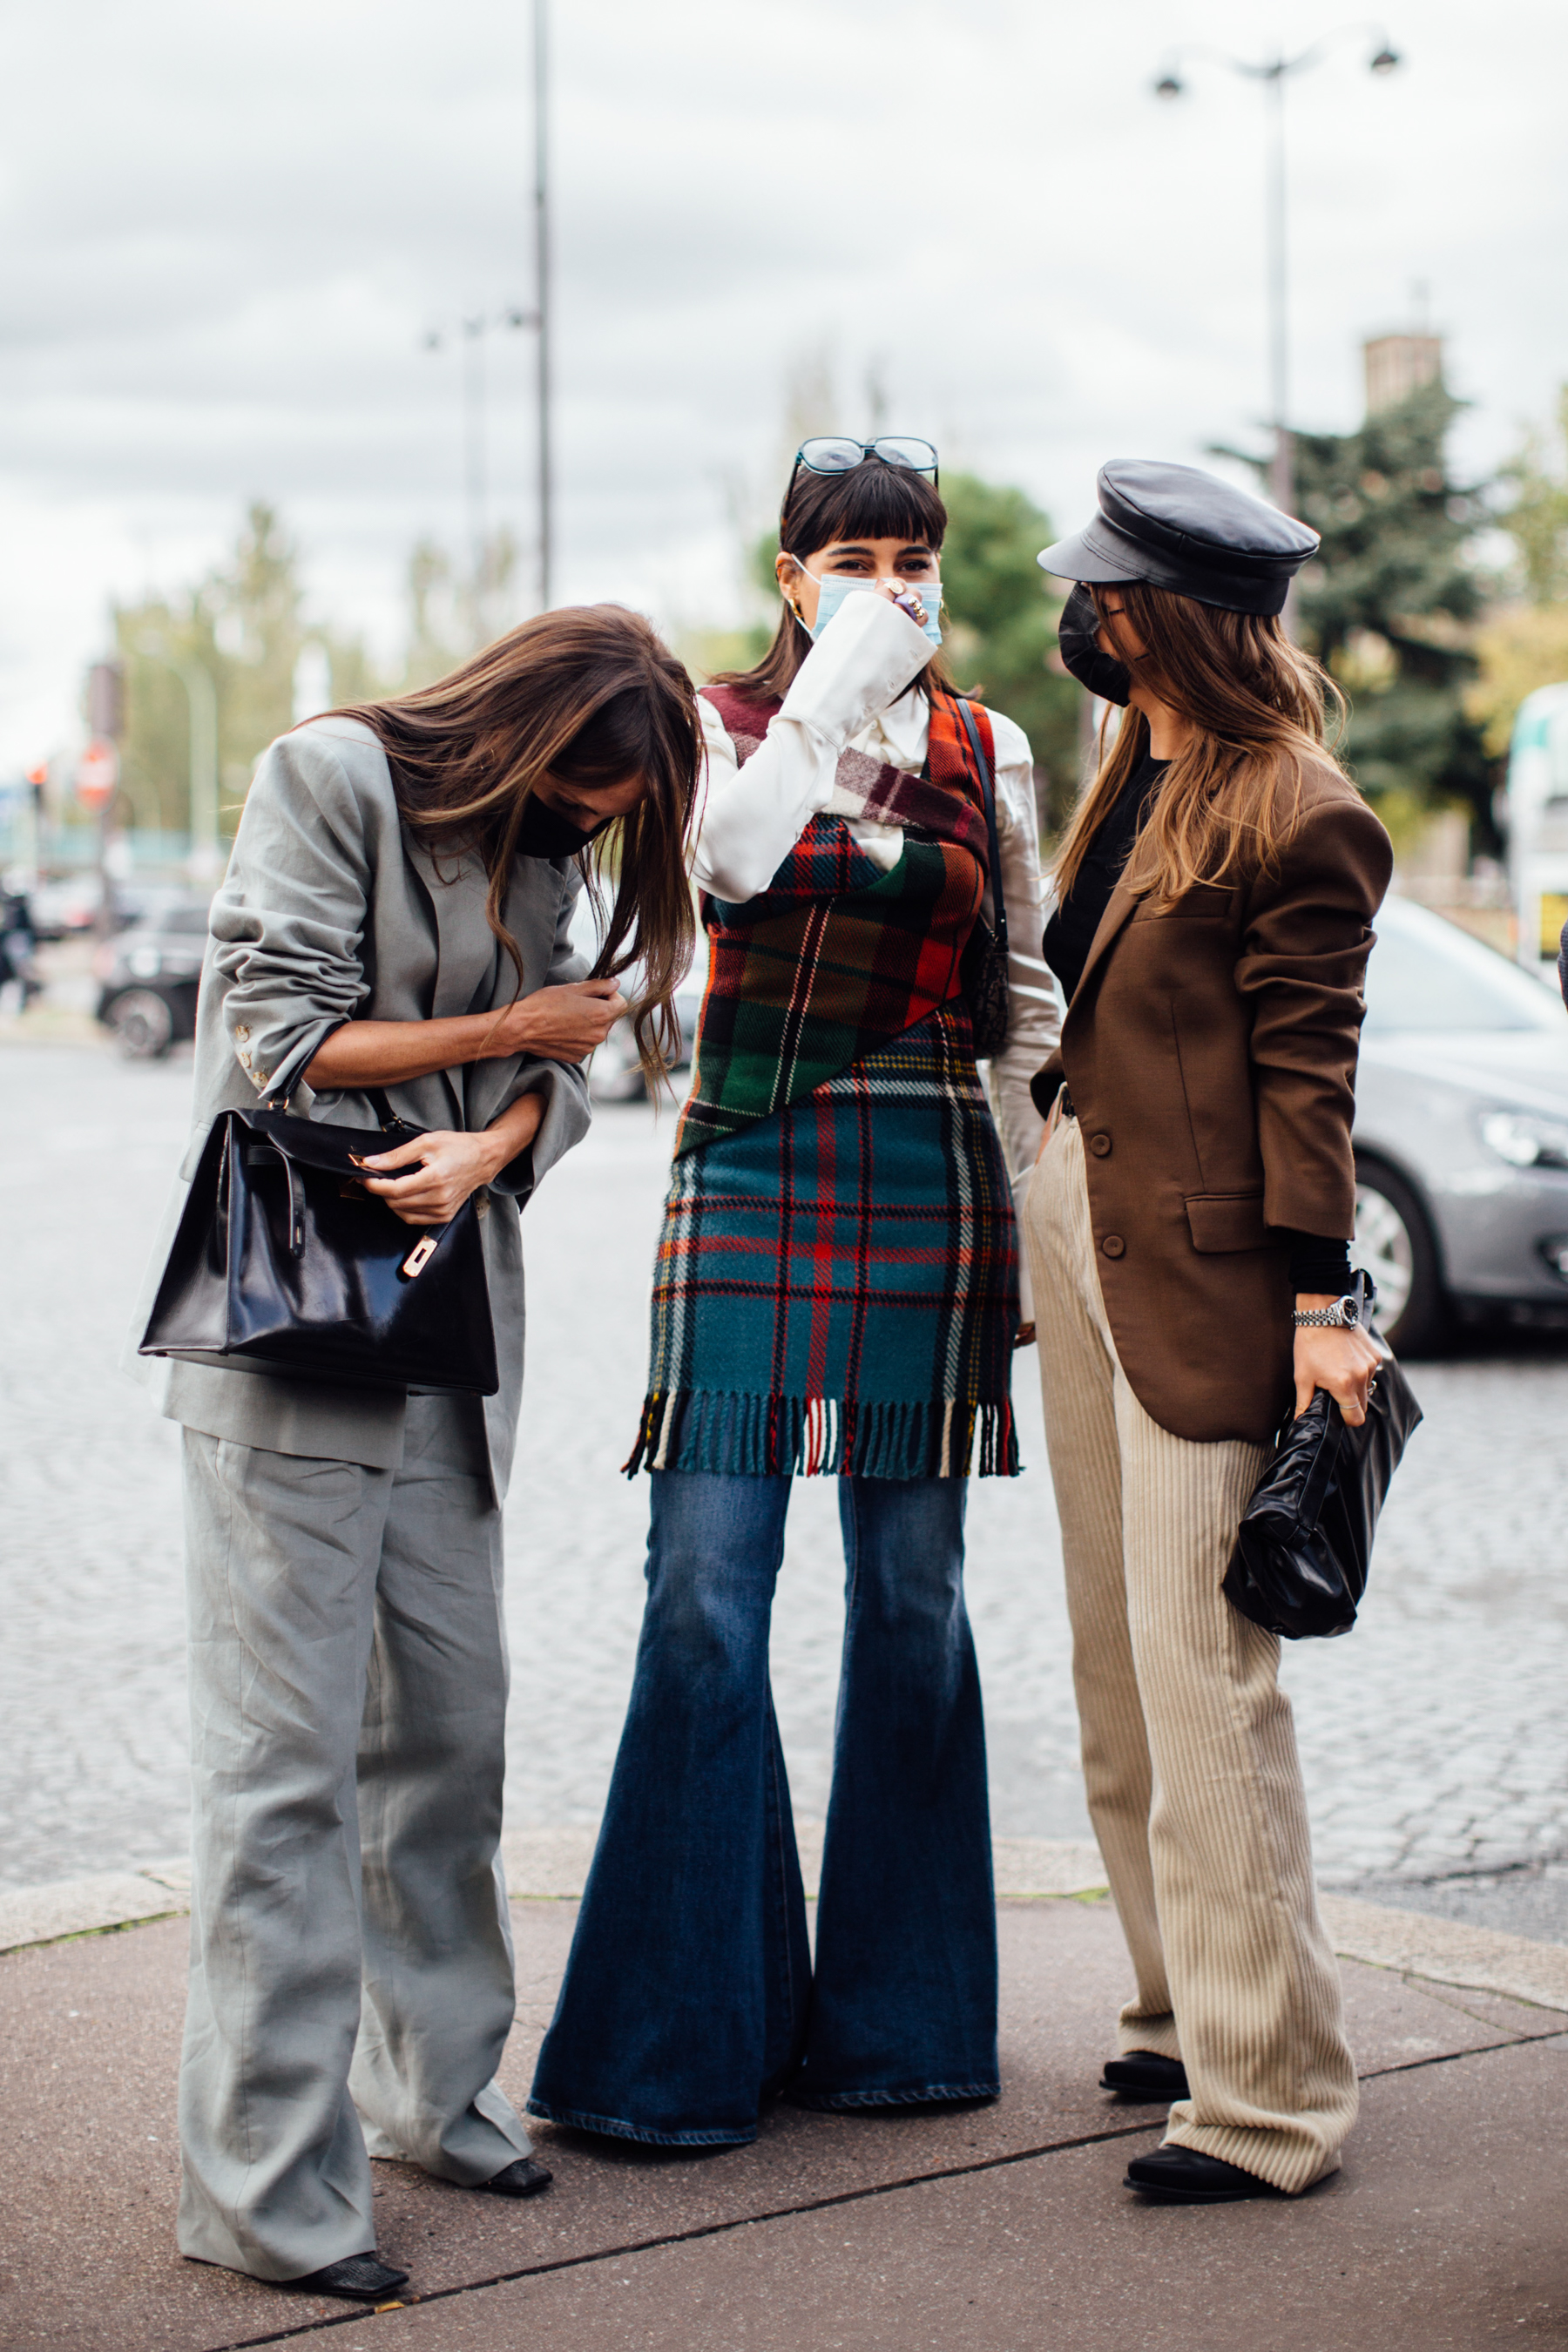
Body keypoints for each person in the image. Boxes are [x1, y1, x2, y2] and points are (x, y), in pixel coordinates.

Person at [135, 606, 701, 2303]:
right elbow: (280, 1042)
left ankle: (429, 2091)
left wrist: (499, 1140)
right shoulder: (327, 779)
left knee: (449, 1732)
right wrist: (499, 1052)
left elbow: (581, 1059)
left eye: (618, 812)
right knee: (285, 1768)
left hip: (451, 1340)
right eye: (586, 789)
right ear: (523, 726)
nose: (596, 827)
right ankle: (262, 2186)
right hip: (294, 1334)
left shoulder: (544, 847)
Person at [527, 436, 1058, 2147]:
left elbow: (1026, 994)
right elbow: (732, 869)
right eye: (856, 558)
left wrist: (1033, 1207)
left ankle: (904, 2027)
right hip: (744, 1166)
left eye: (916, 558)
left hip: (930, 1178)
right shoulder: (710, 731)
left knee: (914, 1603)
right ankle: (683, 2045)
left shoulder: (995, 748)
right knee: (703, 1592)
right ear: (791, 575)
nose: (893, 585)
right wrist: (836, 686)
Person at [1021, 461, 1390, 2205]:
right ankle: (1181, 2008)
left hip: (1208, 1280)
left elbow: (1307, 1077)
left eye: (1101, 595)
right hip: (1079, 1239)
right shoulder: (1131, 766)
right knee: (1115, 1666)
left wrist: (1321, 1307)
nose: (1075, 619)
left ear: (1161, 613)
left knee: (1206, 1681)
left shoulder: (1293, 805)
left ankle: (1272, 2097)